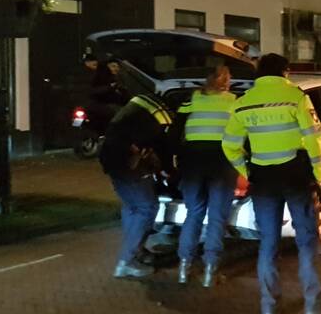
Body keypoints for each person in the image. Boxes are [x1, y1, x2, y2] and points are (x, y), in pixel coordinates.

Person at [222, 53, 321, 314]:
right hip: (295, 177)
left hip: (263, 180)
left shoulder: (242, 104)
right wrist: (318, 174)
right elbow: (312, 141)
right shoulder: (296, 97)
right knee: (306, 240)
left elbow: (229, 145)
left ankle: (268, 308)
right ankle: (312, 306)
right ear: (285, 72)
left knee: (268, 243)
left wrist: (247, 170)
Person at [172, 66, 240, 288]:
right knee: (217, 218)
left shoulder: (191, 100)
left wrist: (175, 161)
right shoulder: (233, 101)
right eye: (228, 78)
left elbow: (174, 131)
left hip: (193, 164)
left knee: (193, 213)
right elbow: (242, 134)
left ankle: (184, 267)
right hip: (222, 163)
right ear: (224, 81)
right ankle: (210, 270)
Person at [99, 93, 174, 279]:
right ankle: (127, 260)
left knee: (132, 207)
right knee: (147, 207)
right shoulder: (162, 115)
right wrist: (167, 170)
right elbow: (163, 144)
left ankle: (136, 251)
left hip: (110, 159)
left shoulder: (139, 104)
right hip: (129, 162)